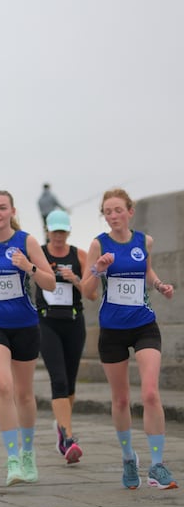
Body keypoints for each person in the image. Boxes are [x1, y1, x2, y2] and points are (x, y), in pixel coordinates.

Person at [80, 188, 177, 490]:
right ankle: (127, 458)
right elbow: (87, 288)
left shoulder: (143, 241)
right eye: (107, 212)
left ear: (129, 212)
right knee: (121, 399)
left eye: (117, 210)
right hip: (112, 331)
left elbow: (146, 271)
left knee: (149, 393)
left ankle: (157, 465)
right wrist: (98, 269)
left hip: (144, 325)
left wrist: (160, 285)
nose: (113, 216)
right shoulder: (99, 244)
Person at [0, 189, 56, 486]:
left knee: (25, 393)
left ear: (12, 211)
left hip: (25, 324)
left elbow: (51, 283)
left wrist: (28, 267)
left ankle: (29, 451)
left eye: (2, 208)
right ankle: (13, 458)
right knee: (2, 385)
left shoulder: (26, 241)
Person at [36, 208, 87, 463]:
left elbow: (91, 291)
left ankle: (61, 424)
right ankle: (67, 438)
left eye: (62, 231)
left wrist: (75, 278)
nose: (58, 236)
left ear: (68, 232)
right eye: (54, 231)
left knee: (70, 383)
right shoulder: (40, 254)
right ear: (47, 231)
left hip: (74, 322)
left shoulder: (79, 255)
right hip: (46, 323)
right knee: (58, 379)